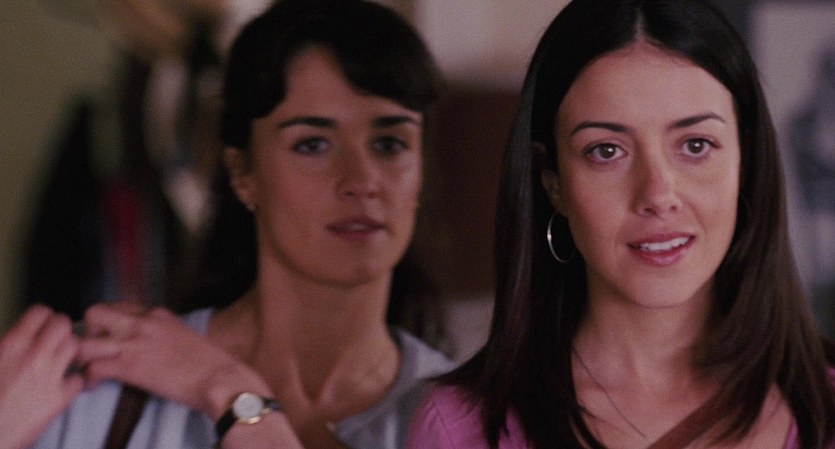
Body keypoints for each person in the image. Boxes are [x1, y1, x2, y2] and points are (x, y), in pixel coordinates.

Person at [1, 0, 453, 448]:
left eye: (390, 144)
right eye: (313, 144)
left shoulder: (463, 420)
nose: (362, 181)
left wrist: (232, 393)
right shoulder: (100, 380)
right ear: (242, 173)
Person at [406, 0, 835, 448]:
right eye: (606, 151)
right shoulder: (463, 429)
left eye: (695, 145)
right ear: (553, 182)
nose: (658, 195)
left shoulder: (823, 408)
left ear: (745, 161)